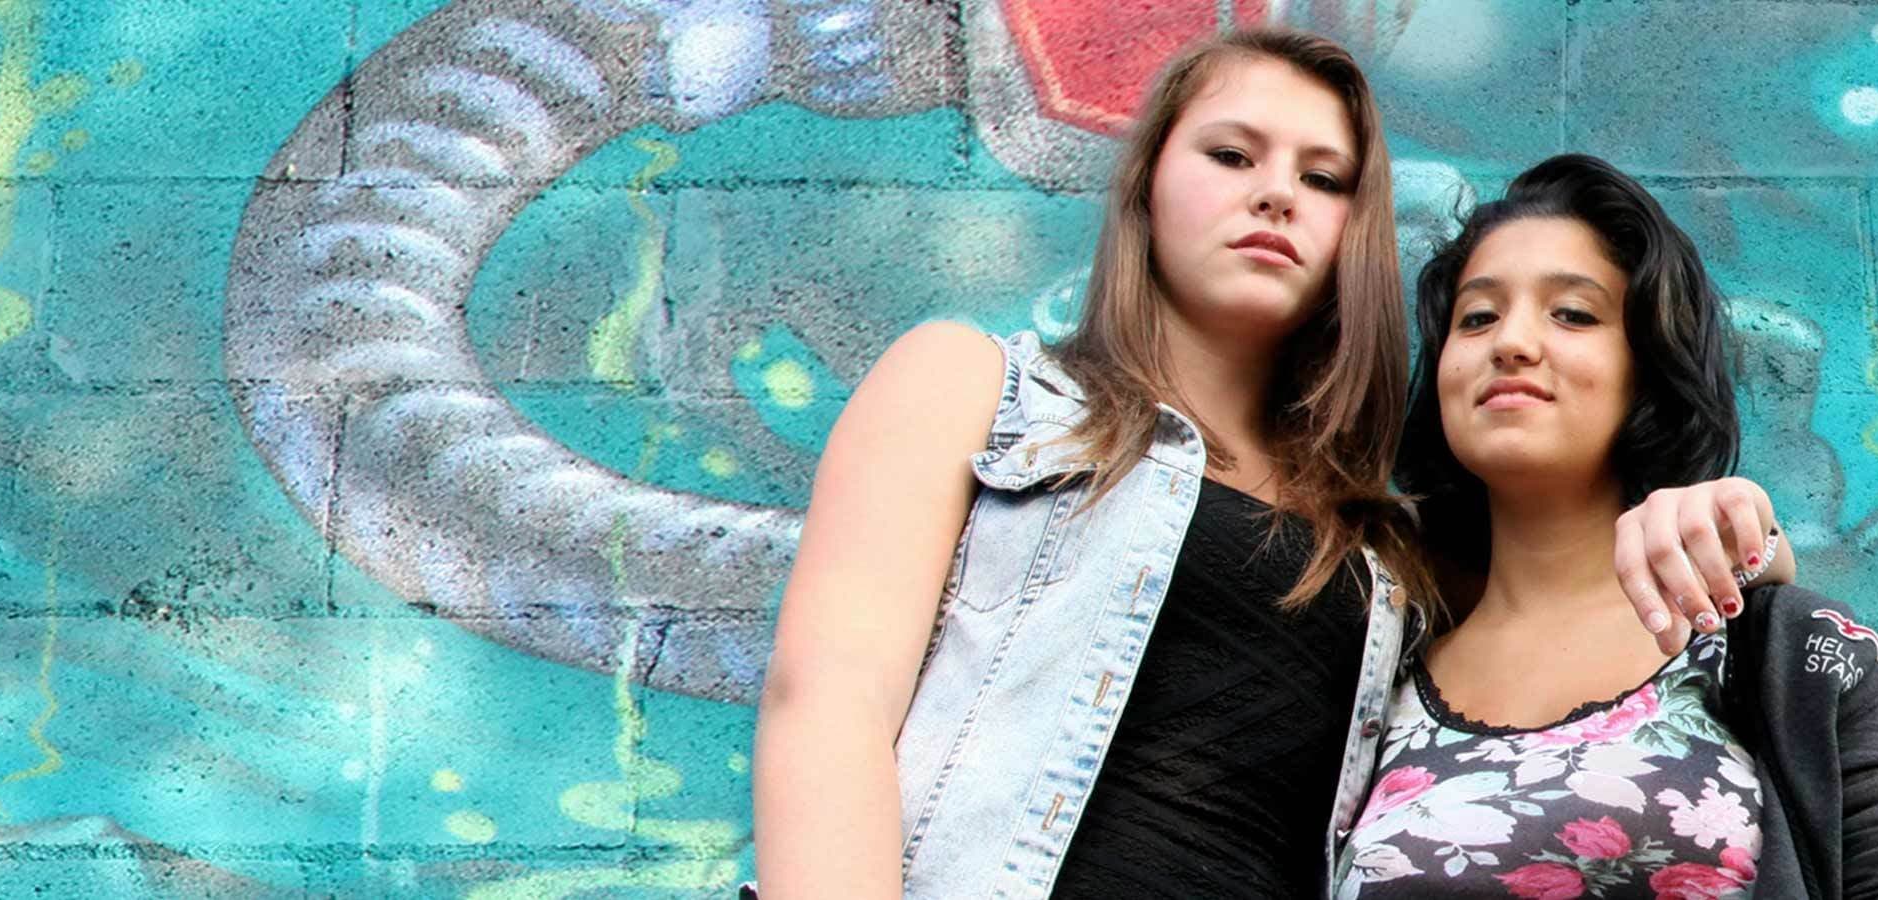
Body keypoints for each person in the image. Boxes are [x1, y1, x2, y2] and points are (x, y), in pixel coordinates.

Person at [752, 30, 1787, 899]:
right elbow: (828, 701)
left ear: (1353, 227)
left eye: (1322, 176)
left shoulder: (1394, 555)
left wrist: (1724, 527)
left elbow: (1599, 611)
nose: (1277, 195)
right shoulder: (978, 390)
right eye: (1232, 156)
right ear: (1149, 187)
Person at [1337, 154, 1878, 897]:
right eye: (1477, 316)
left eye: (1573, 313)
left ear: (1646, 372)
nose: (1510, 342)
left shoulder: (1781, 647)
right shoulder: (1372, 672)